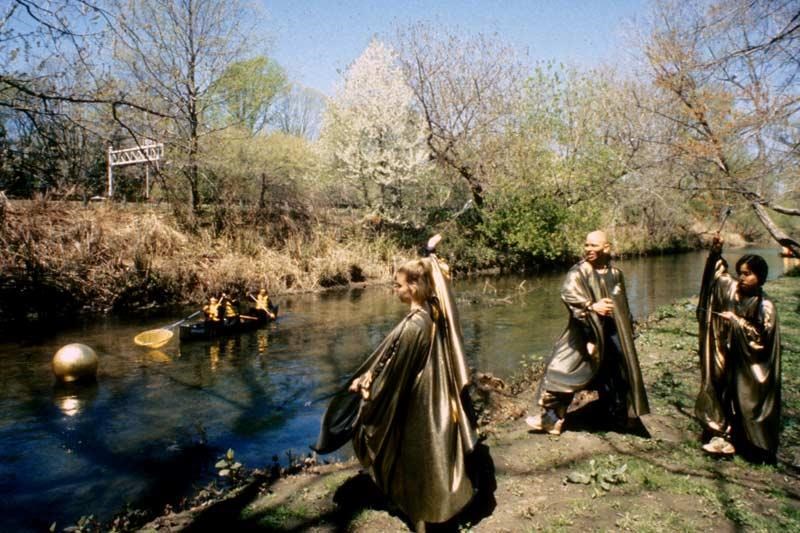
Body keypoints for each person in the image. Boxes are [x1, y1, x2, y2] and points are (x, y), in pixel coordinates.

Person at [313, 236, 478, 532]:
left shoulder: (416, 325)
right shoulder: (434, 308)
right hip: (427, 399)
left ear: (414, 287)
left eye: (398, 285)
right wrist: (429, 252)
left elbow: (397, 373)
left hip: (417, 404)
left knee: (409, 454)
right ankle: (421, 512)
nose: (394, 289)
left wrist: (368, 389)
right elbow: (436, 279)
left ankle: (422, 516)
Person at [526, 230, 649, 435]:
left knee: (620, 371)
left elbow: (623, 308)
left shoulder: (616, 274)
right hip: (584, 332)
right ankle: (552, 418)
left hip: (614, 333)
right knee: (560, 369)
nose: (589, 250)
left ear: (606, 248)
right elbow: (570, 296)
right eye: (587, 245)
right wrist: (592, 307)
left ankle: (624, 417)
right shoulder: (578, 272)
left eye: (594, 246)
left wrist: (629, 330)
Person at [695, 236, 781, 461]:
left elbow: (761, 340)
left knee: (744, 395)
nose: (742, 278)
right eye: (740, 273)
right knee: (719, 384)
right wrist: (715, 251)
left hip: (749, 363)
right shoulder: (730, 288)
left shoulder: (766, 305)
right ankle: (720, 432)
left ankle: (750, 440)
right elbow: (716, 274)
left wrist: (736, 321)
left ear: (760, 277)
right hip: (726, 353)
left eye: (748, 274)